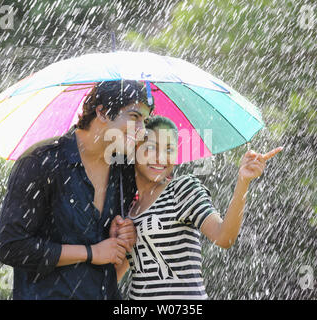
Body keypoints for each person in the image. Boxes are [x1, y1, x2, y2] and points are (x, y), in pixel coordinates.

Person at [0, 80, 154, 299]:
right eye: (135, 117)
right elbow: (12, 246)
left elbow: (115, 254)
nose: (142, 131)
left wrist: (125, 235)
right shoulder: (43, 162)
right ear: (102, 112)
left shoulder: (124, 170)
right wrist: (91, 253)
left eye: (145, 121)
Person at [115, 116, 283, 299]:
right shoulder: (129, 210)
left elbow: (224, 237)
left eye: (169, 149)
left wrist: (243, 181)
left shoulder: (182, 189)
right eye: (151, 148)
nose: (160, 157)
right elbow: (116, 276)